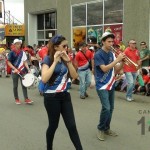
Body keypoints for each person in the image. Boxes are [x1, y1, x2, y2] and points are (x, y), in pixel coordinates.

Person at [41, 34, 83, 150]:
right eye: (64, 46)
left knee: (72, 126)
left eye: (67, 46)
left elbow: (75, 76)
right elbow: (44, 79)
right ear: (55, 47)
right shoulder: (48, 59)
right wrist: (55, 62)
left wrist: (68, 62)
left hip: (65, 96)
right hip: (51, 97)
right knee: (53, 126)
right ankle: (49, 148)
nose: (66, 48)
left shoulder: (66, 59)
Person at [94, 32, 125, 141]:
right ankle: (101, 128)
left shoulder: (112, 54)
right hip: (102, 85)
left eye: (112, 41)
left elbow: (116, 69)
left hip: (111, 83)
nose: (111, 43)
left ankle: (107, 128)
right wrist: (117, 59)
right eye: (109, 41)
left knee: (111, 108)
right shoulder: (98, 54)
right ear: (103, 41)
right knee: (106, 108)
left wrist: (122, 63)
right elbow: (104, 69)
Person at [7, 39, 33, 105]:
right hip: (15, 71)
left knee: (24, 84)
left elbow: (25, 62)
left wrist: (28, 69)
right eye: (17, 44)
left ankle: (26, 98)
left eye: (19, 44)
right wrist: (14, 68)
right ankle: (16, 99)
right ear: (14, 44)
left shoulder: (23, 52)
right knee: (15, 86)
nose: (19, 45)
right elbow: (8, 62)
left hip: (23, 70)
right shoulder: (11, 52)